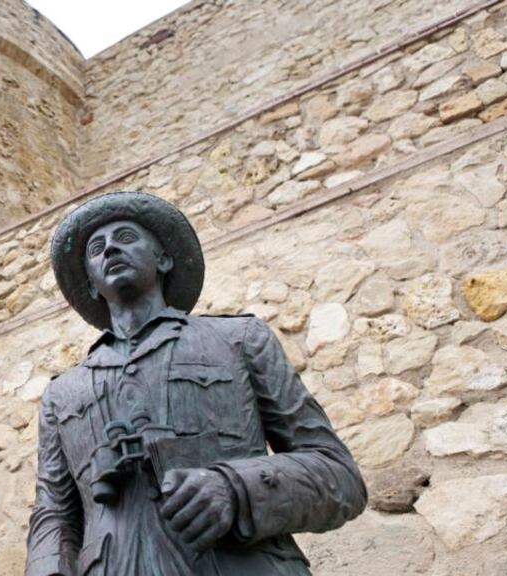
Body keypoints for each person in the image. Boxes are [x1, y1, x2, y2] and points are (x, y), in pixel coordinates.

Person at [25, 191, 367, 576]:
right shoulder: (62, 393)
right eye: (97, 249)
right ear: (90, 285)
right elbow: (54, 510)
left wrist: (234, 489)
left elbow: (340, 476)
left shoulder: (240, 339)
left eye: (126, 238)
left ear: (164, 258)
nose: (110, 251)